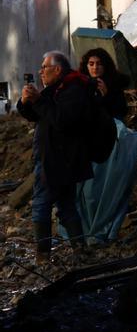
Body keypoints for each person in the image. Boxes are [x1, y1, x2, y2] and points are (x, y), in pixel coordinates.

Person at [17, 51, 92, 259]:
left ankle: (42, 256)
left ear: (57, 69)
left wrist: (39, 100)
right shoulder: (56, 89)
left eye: (44, 67)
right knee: (66, 204)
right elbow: (35, 114)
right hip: (52, 157)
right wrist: (25, 102)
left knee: (41, 203)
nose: (41, 71)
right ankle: (80, 248)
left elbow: (61, 119)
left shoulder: (74, 89)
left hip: (58, 159)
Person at [80, 47, 129, 122]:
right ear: (86, 66)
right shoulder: (82, 84)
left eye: (99, 64)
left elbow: (122, 111)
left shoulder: (115, 82)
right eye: (91, 64)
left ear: (105, 65)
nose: (95, 67)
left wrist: (107, 96)